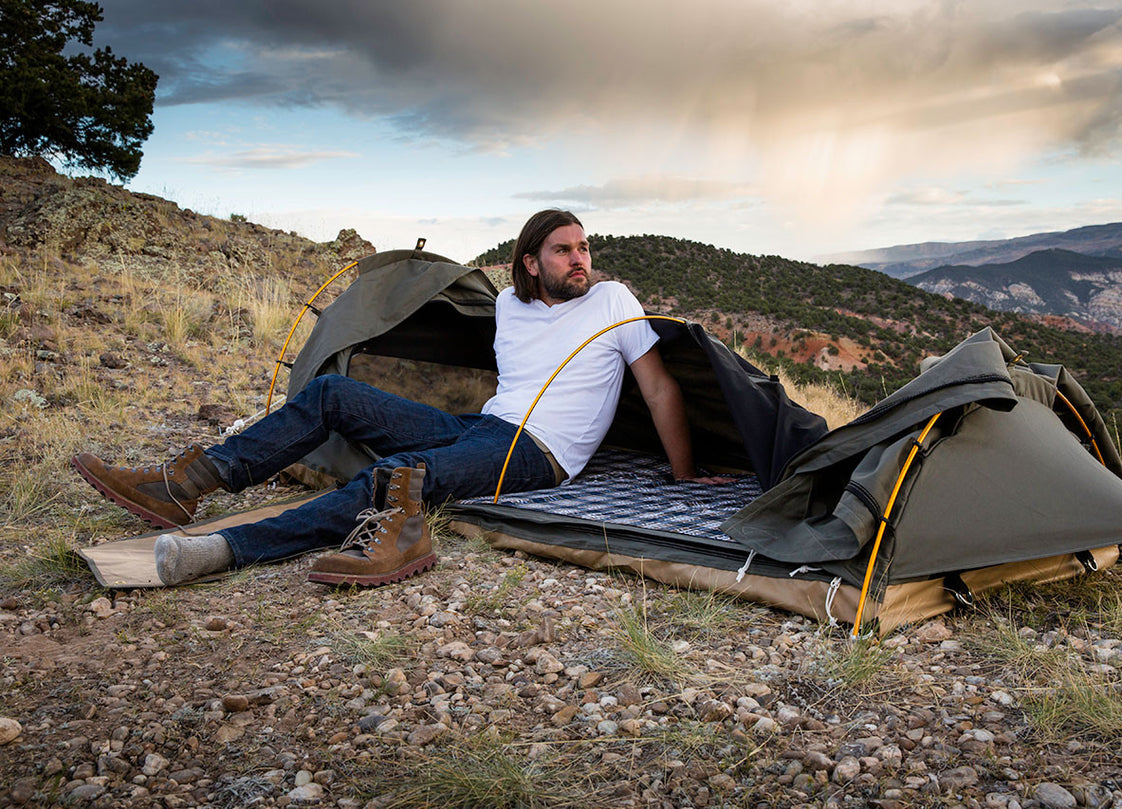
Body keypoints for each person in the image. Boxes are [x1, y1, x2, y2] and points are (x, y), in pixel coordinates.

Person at [72, 209, 724, 588]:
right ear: (532, 261)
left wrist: (685, 472)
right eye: (565, 250)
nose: (580, 259)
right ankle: (188, 481)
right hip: (483, 427)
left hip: (539, 451)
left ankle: (228, 548)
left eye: (584, 247)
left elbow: (660, 387)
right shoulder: (505, 304)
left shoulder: (614, 300)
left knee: (398, 478)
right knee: (332, 392)